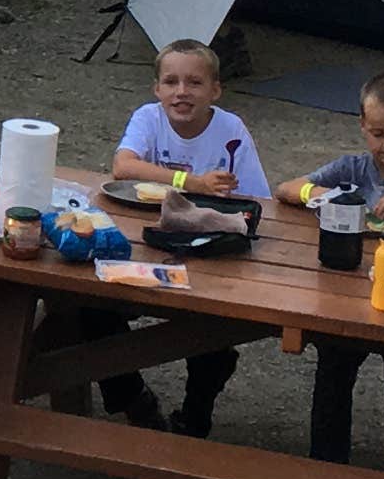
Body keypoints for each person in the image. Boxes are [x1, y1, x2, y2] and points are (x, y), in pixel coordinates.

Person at [95, 38, 273, 433]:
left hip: (206, 251)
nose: (181, 92)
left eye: (194, 83)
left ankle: (195, 417)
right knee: (86, 305)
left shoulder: (231, 129)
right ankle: (131, 397)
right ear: (157, 88)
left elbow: (258, 201)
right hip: (144, 242)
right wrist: (190, 181)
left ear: (215, 90)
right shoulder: (148, 117)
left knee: (212, 330)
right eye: (171, 82)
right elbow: (123, 167)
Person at [281, 68, 384, 475]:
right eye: (378, 133)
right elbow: (287, 188)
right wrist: (329, 196)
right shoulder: (351, 169)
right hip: (346, 286)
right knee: (334, 370)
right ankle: (326, 469)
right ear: (363, 127)